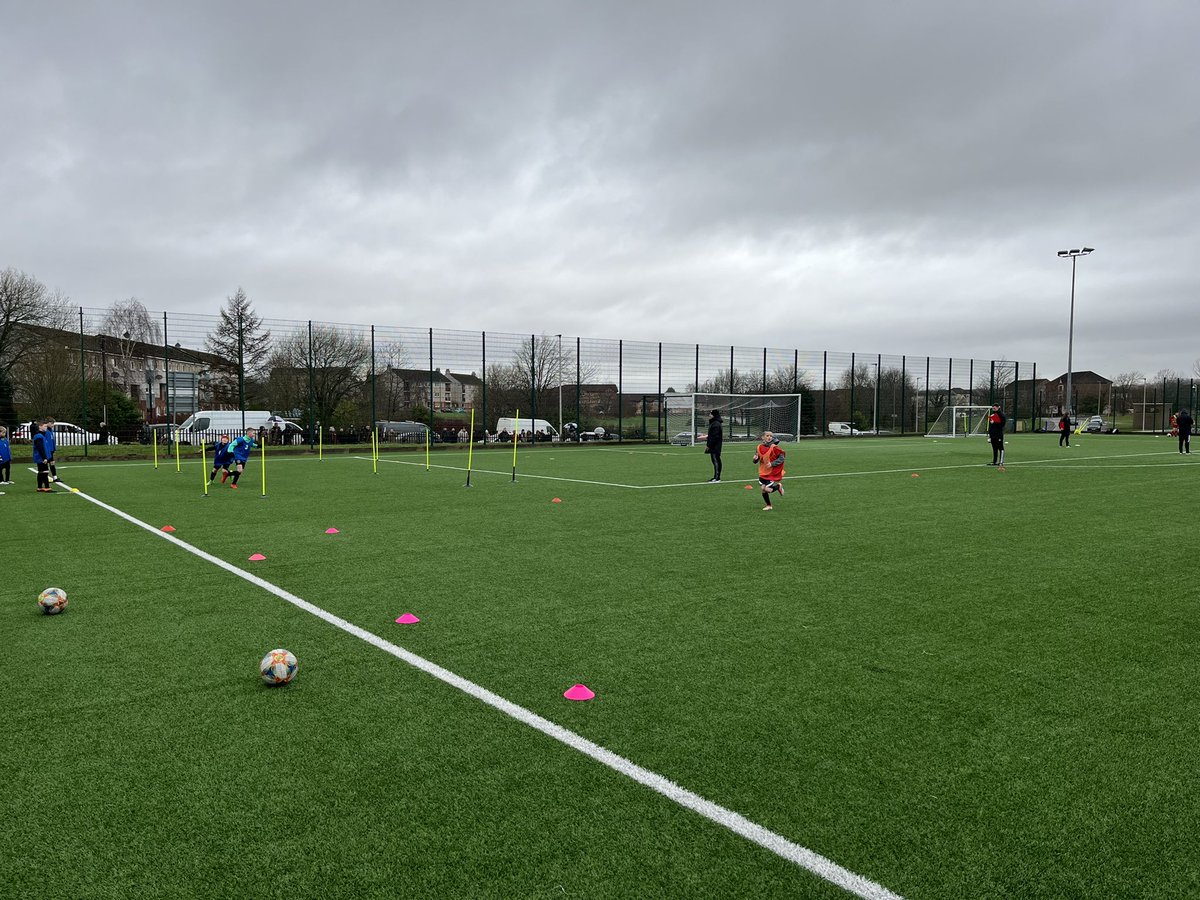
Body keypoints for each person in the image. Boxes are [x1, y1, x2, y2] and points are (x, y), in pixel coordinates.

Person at [753, 430, 786, 510]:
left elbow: (782, 458)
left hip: (771, 472)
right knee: (763, 489)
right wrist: (755, 459)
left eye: (771, 436)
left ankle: (778, 486)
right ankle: (769, 505)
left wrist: (772, 464)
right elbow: (756, 460)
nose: (769, 437)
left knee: (767, 489)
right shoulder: (759, 447)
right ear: (763, 437)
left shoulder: (774, 448)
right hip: (762, 472)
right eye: (767, 436)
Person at [704, 409, 724, 482]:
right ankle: (715, 476)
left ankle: (717, 477)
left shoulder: (716, 424)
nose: (709, 415)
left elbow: (715, 436)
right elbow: (712, 435)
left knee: (716, 461)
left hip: (715, 447)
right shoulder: (714, 423)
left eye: (711, 414)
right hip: (714, 446)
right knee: (715, 461)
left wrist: (708, 445)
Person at [32, 421, 52, 492]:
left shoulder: (42, 436)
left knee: (41, 471)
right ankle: (47, 487)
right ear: (40, 427)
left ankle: (40, 487)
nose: (46, 427)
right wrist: (44, 458)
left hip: (42, 457)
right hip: (40, 457)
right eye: (45, 426)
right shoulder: (39, 436)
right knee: (45, 471)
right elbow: (40, 448)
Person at [44, 417, 58, 482]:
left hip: (51, 450)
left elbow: (52, 440)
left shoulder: (50, 430)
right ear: (48, 423)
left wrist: (54, 448)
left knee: (52, 463)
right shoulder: (45, 431)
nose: (53, 425)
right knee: (46, 463)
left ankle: (55, 477)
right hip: (47, 450)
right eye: (52, 423)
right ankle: (45, 477)